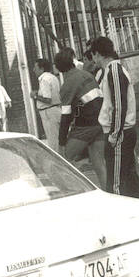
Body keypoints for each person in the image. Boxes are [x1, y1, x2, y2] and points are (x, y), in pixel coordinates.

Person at [91, 36, 139, 199]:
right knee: (129, 177)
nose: (93, 60)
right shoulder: (111, 70)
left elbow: (119, 105)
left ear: (98, 54)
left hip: (120, 132)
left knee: (116, 183)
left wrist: (114, 134)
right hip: (122, 131)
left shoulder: (114, 70)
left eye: (93, 55)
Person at [54, 49, 107, 191]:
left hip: (85, 126)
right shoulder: (87, 74)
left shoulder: (67, 85)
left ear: (58, 67)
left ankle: (73, 192)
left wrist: (61, 142)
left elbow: (66, 116)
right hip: (101, 123)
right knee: (99, 163)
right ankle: (110, 193)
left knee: (63, 159)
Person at [30, 58, 62, 153]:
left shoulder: (44, 79)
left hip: (48, 112)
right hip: (56, 110)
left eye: (36, 68)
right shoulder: (53, 77)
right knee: (58, 139)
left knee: (53, 141)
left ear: (42, 68)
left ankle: (57, 164)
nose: (33, 70)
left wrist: (35, 95)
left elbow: (47, 99)